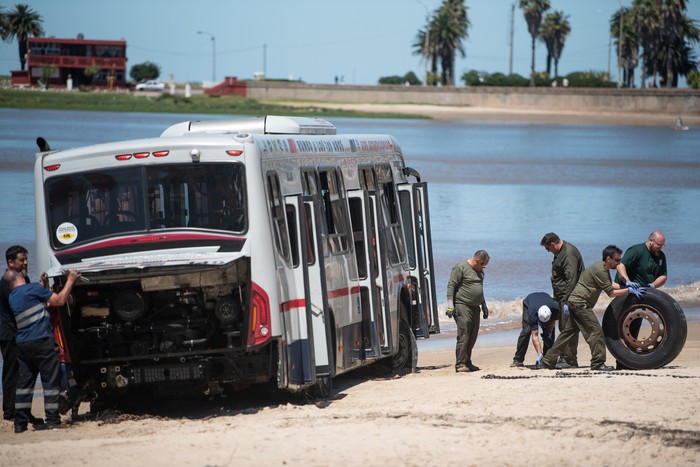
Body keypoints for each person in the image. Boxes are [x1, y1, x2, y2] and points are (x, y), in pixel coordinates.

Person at [541, 245, 645, 372]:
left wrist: (627, 284)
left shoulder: (602, 268)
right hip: (580, 303)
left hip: (575, 302)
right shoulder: (600, 270)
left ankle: (547, 361)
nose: (619, 263)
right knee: (595, 331)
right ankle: (598, 363)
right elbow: (611, 293)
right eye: (617, 260)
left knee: (568, 333)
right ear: (608, 259)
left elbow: (610, 284)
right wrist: (628, 291)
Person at [5, 268, 80, 433]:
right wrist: (71, 280)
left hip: (23, 344)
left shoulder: (13, 297)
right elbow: (59, 300)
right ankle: (53, 420)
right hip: (42, 342)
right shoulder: (33, 289)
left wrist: (44, 286)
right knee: (50, 382)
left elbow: (36, 303)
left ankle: (20, 424)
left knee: (24, 385)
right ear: (20, 276)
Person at [0, 245, 47, 424]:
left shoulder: (24, 277)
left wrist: (40, 287)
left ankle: (23, 411)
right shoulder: (7, 281)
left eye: (26, 259)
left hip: (21, 332)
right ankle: (10, 411)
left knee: (25, 373)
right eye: (22, 260)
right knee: (12, 372)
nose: (26, 262)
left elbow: (28, 297)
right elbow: (21, 303)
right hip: (9, 333)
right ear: (10, 262)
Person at [614, 230, 668, 368]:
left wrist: (653, 285)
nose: (660, 248)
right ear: (651, 240)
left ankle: (628, 359)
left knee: (635, 325)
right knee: (624, 325)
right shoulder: (636, 250)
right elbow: (620, 266)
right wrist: (627, 282)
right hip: (627, 291)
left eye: (662, 245)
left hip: (643, 293)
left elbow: (663, 276)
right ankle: (621, 361)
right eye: (658, 245)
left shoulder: (660, 256)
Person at [540, 232, 584, 369]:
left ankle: (570, 360)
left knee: (567, 328)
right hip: (562, 297)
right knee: (564, 327)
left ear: (553, 244)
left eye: (548, 248)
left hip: (569, 297)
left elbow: (571, 279)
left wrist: (567, 301)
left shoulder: (568, 254)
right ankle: (565, 357)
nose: (548, 251)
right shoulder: (560, 253)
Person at [446, 250, 490, 373]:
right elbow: (451, 286)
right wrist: (450, 306)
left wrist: (484, 306)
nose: (484, 267)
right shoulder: (460, 267)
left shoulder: (480, 271)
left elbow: (479, 289)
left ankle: (467, 362)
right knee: (464, 333)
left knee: (472, 336)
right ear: (477, 260)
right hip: (462, 305)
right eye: (482, 263)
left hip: (475, 307)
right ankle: (460, 364)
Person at [511, 292, 560, 368]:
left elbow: (552, 322)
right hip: (529, 302)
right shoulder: (532, 312)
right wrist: (539, 353)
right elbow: (535, 335)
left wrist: (549, 334)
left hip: (544, 300)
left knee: (549, 334)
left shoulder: (555, 308)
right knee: (527, 331)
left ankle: (547, 360)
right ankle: (518, 360)